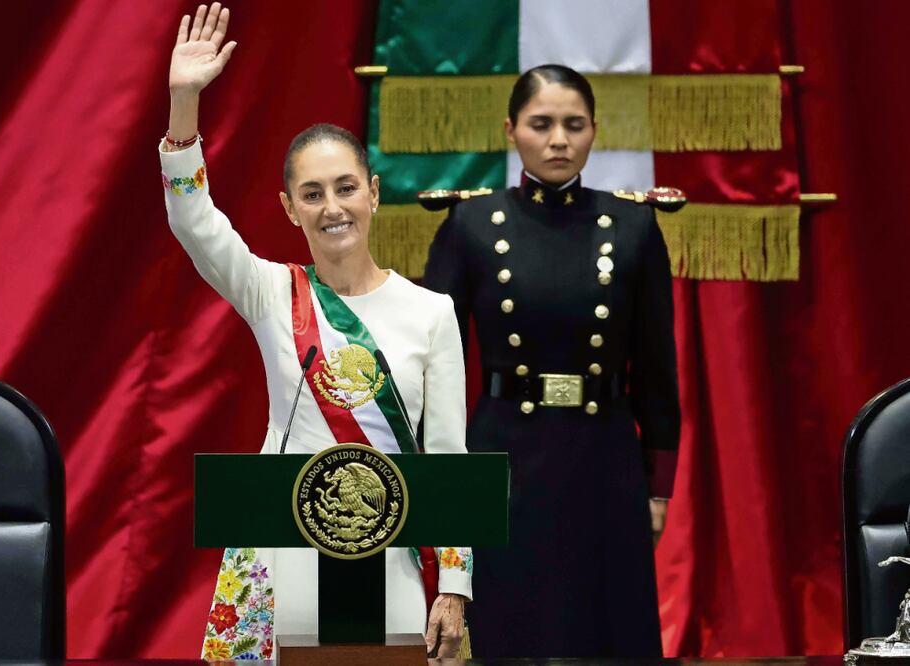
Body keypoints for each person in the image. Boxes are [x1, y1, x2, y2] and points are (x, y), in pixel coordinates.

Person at [159, 4, 472, 660]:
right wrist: (184, 104)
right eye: (312, 193)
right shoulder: (270, 291)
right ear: (289, 208)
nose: (332, 207)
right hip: (281, 546)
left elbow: (447, 462)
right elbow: (194, 221)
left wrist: (454, 585)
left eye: (346, 187)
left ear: (375, 193)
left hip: (391, 555)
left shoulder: (431, 314)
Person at [424, 64, 681, 657]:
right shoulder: (471, 225)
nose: (559, 140)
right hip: (503, 457)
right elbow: (434, 368)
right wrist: (444, 483)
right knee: (508, 634)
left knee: (606, 635)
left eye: (574, 124)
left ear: (595, 130)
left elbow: (657, 370)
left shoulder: (633, 225)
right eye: (541, 124)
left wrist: (658, 488)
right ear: (511, 129)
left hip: (605, 458)